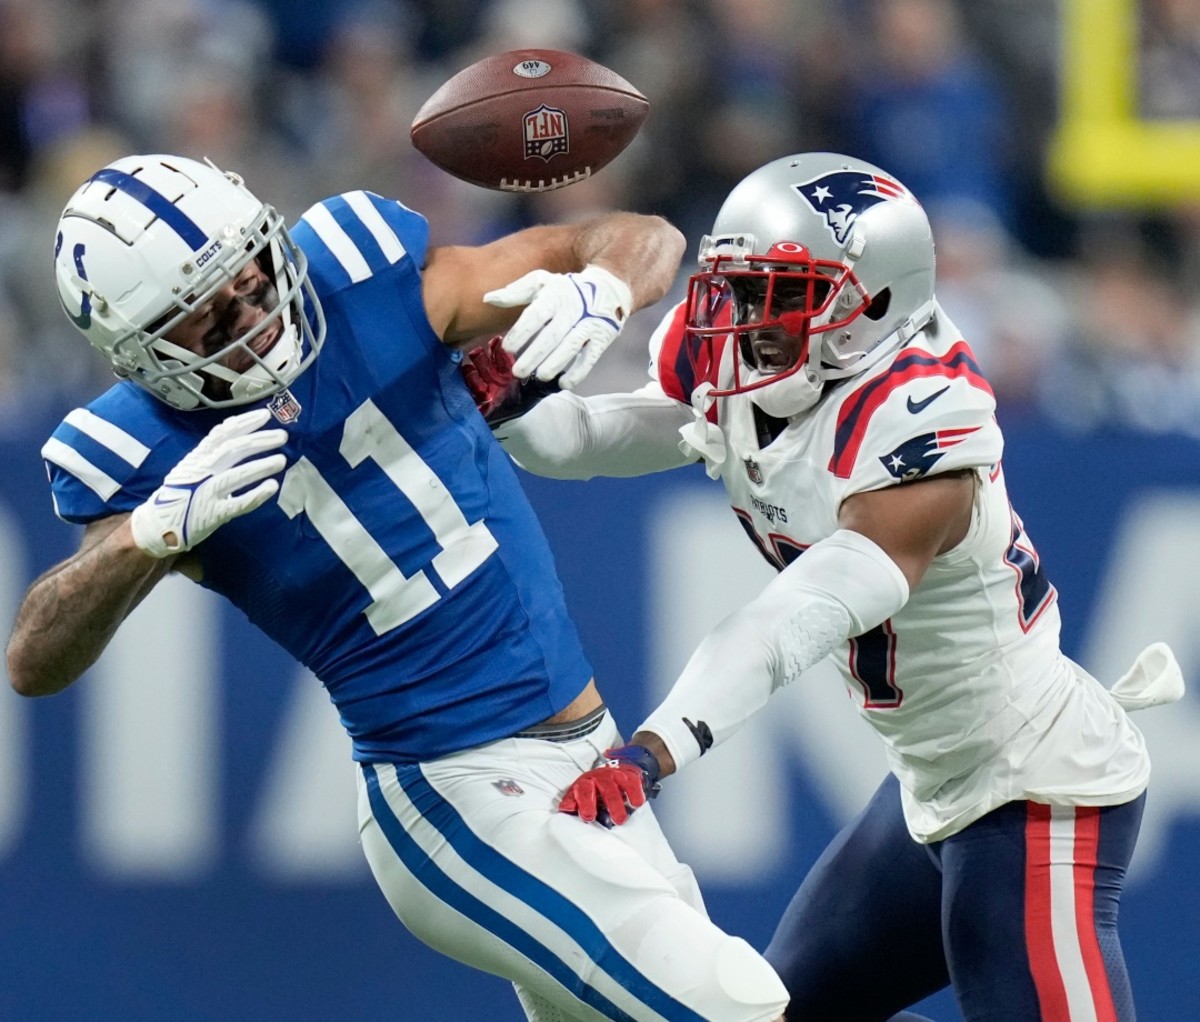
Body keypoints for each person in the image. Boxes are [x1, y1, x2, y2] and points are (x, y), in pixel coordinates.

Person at [4, 153, 791, 1022]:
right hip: (451, 791)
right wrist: (149, 534)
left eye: (252, 276)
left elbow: (639, 237)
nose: (253, 315)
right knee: (735, 1005)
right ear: (141, 356)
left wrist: (600, 288)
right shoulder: (143, 452)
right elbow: (34, 658)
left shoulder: (367, 280)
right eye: (206, 318)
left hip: (591, 757)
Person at [466, 151, 1185, 1022]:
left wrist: (654, 750)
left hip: (1037, 787)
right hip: (926, 784)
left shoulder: (922, 423)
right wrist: (516, 409)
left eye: (782, 293)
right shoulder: (756, 365)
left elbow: (790, 619)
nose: (745, 318)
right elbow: (599, 437)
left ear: (873, 302)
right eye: (739, 286)